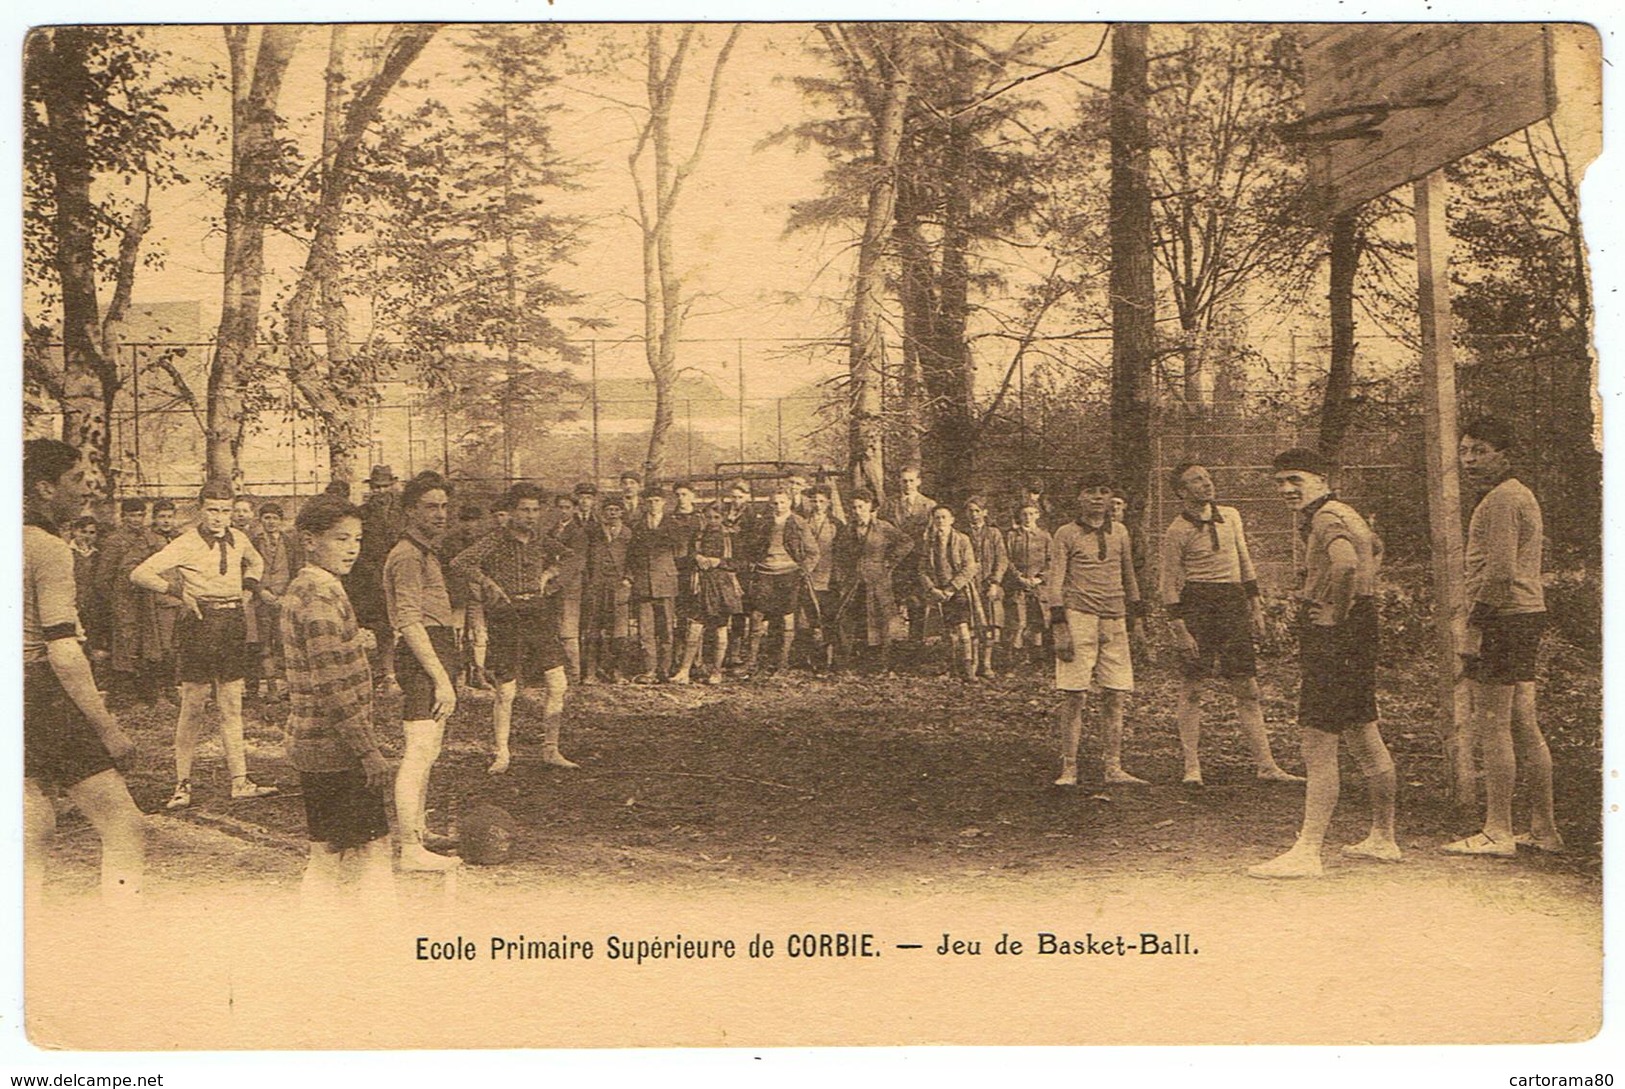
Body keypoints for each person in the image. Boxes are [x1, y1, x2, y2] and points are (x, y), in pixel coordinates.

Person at [1250, 448, 1398, 878]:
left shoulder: (1325, 517)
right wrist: (1357, 602)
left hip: (1335, 630)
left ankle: (1307, 851)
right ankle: (1383, 837)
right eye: (1279, 482)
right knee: (1362, 730)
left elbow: (1347, 564)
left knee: (1317, 737)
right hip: (1360, 626)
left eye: (1295, 479)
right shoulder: (1346, 511)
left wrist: (1336, 609)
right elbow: (1376, 547)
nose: (1285, 489)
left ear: (1322, 478)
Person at [23, 439, 146, 906]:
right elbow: (63, 651)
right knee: (125, 825)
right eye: (77, 479)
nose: (89, 487)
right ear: (45, 488)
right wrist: (109, 730)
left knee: (32, 823)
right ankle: (122, 941)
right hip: (39, 692)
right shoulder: (49, 548)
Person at [1445, 418, 1559, 856]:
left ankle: (1497, 830)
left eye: (1480, 451)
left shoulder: (1502, 499)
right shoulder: (1515, 495)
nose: (1470, 459)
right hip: (1523, 616)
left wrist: (1474, 629)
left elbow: (1499, 574)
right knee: (1522, 722)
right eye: (1466, 450)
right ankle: (1545, 830)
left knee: (1493, 726)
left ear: (1504, 455)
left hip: (1504, 619)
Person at [131, 479, 279, 809]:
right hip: (200, 624)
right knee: (193, 705)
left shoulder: (239, 538)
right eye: (212, 510)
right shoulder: (185, 542)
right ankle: (182, 783)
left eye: (225, 511)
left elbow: (256, 563)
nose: (219, 517)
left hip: (232, 623)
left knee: (231, 705)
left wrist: (248, 587)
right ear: (201, 509)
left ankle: (240, 781)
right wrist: (178, 593)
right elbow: (140, 574)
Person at [279, 493, 394, 902]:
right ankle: (380, 932)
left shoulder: (315, 588)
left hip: (320, 742)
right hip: (335, 746)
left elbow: (324, 655)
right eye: (340, 539)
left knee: (330, 849)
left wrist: (356, 642)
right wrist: (368, 751)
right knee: (368, 846)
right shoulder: (318, 596)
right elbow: (332, 685)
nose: (351, 549)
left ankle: (320, 933)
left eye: (357, 540)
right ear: (310, 540)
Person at [1160, 462, 1300, 786]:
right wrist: (1179, 629)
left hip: (1233, 604)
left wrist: (1255, 606)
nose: (1205, 484)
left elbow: (1244, 560)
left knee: (1247, 688)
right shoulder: (1176, 531)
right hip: (1198, 605)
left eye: (1207, 477)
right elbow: (1168, 584)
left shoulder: (1232, 516)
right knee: (1193, 687)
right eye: (1196, 480)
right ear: (1181, 492)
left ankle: (1266, 765)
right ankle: (1192, 767)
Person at [450, 482, 576, 774]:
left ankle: (551, 749)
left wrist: (549, 574)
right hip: (507, 616)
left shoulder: (541, 539)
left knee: (558, 684)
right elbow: (461, 562)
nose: (531, 516)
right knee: (506, 691)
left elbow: (570, 557)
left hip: (538, 614)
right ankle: (502, 753)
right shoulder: (495, 539)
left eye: (535, 510)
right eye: (524, 510)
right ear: (512, 511)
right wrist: (488, 584)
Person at [382, 472, 462, 872]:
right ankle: (409, 848)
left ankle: (418, 832)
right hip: (421, 658)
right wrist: (441, 679)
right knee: (417, 753)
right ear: (410, 510)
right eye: (431, 506)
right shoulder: (407, 555)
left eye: (445, 506)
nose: (440, 514)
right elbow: (409, 622)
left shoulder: (427, 551)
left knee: (429, 752)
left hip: (438, 649)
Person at [1047, 473, 1146, 786]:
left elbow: (1129, 576)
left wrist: (1137, 619)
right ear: (1079, 497)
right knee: (1074, 696)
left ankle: (1113, 767)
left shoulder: (1120, 532)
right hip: (1079, 617)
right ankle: (1070, 768)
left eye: (1104, 492)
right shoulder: (1066, 533)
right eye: (1090, 491)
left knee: (1115, 695)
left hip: (1114, 619)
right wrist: (1060, 626)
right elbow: (1055, 583)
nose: (1097, 498)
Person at [739, 487, 819, 679]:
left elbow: (813, 552)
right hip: (765, 573)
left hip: (788, 575)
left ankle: (782, 664)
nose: (779, 506)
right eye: (775, 502)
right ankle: (751, 662)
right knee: (757, 615)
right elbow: (752, 547)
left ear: (789, 503)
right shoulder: (764, 523)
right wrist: (754, 562)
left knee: (787, 617)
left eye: (782, 502)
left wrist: (802, 570)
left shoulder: (799, 523)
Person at [830, 489, 913, 674]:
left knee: (879, 620)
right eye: (853, 507)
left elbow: (906, 542)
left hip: (877, 580)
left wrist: (889, 561)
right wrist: (843, 574)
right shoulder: (847, 530)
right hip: (852, 582)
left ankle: (879, 664)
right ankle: (844, 663)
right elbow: (839, 553)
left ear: (869, 506)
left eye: (861, 506)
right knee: (847, 619)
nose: (857, 510)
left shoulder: (883, 527)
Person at [95, 498, 165, 704]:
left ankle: (150, 693)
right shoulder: (114, 541)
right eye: (132, 515)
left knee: (150, 644)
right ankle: (124, 694)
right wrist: (118, 601)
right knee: (126, 644)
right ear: (123, 516)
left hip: (148, 599)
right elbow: (103, 579)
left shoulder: (152, 538)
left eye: (140, 515)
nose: (136, 520)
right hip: (125, 600)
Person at [669, 502, 744, 685]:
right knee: (694, 627)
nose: (712, 521)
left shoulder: (732, 537)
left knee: (720, 628)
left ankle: (716, 671)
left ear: (724, 517)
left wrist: (719, 562)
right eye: (709, 517)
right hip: (700, 585)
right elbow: (686, 557)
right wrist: (696, 557)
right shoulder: (698, 535)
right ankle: (684, 671)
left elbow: (741, 563)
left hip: (722, 586)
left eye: (716, 517)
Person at [349, 466, 403, 693]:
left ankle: (411, 671)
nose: (381, 491)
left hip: (401, 576)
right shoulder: (361, 514)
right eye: (376, 487)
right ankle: (388, 675)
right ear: (371, 488)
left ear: (393, 485)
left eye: (385, 486)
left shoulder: (404, 511)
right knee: (382, 628)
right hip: (371, 578)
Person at [918, 505, 981, 682]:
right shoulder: (929, 542)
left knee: (963, 629)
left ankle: (968, 669)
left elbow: (970, 567)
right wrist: (932, 589)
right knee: (947, 633)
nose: (941, 521)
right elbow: (922, 569)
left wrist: (952, 588)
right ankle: (952, 667)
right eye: (937, 518)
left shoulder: (962, 539)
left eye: (944, 517)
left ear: (952, 519)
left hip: (958, 591)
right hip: (938, 593)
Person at [626, 489, 679, 682]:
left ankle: (664, 669)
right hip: (643, 582)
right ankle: (649, 670)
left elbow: (680, 552)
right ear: (644, 503)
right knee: (645, 629)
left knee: (666, 628)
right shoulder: (637, 525)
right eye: (649, 501)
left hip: (665, 581)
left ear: (664, 502)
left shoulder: (673, 524)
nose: (653, 504)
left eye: (657, 500)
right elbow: (631, 555)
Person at [584, 494, 635, 683]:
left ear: (622, 512)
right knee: (593, 629)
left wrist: (628, 579)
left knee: (620, 630)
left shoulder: (628, 533)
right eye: (609, 510)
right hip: (597, 586)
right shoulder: (593, 532)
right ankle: (591, 672)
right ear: (603, 512)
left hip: (619, 586)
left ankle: (618, 672)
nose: (612, 513)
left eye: (616, 510)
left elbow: (634, 559)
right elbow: (586, 558)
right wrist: (589, 581)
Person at [884, 466, 936, 644]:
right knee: (892, 604)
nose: (907, 484)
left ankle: (915, 646)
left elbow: (933, 536)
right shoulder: (889, 504)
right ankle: (890, 647)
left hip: (917, 562)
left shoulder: (929, 506)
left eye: (911, 480)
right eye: (904, 480)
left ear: (919, 482)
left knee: (917, 604)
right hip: (896, 562)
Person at [443, 502, 492, 690]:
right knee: (456, 634)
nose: (469, 525)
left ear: (479, 523)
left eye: (473, 521)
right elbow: (446, 568)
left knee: (479, 634)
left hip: (478, 594)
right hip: (456, 594)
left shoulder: (484, 542)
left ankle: (478, 673)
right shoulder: (450, 542)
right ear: (459, 522)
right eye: (465, 521)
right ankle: (457, 675)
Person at [800, 485, 844, 673]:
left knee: (828, 618)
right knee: (810, 619)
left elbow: (843, 553)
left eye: (821, 501)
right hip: (808, 576)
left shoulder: (836, 524)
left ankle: (829, 660)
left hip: (829, 577)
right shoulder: (803, 523)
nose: (817, 505)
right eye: (814, 501)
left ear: (828, 503)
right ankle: (812, 658)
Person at [963, 496, 1008, 679]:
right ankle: (972, 662)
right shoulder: (962, 534)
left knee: (990, 624)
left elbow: (1002, 559)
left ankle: (986, 663)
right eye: (970, 511)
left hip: (988, 584)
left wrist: (995, 582)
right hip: (969, 585)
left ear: (985, 513)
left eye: (977, 511)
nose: (974, 515)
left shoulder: (994, 533)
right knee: (973, 624)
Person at [253, 502, 293, 700]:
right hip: (262, 601)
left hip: (285, 599)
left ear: (281, 521)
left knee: (286, 643)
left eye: (274, 518)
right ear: (260, 521)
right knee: (265, 643)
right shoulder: (254, 542)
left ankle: (290, 686)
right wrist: (260, 591)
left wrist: (288, 595)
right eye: (266, 518)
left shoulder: (290, 543)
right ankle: (271, 688)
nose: (270, 522)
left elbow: (296, 569)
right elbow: (247, 570)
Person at [549, 490, 590, 682]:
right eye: (560, 508)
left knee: (569, 630)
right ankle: (560, 671)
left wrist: (557, 584)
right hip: (552, 586)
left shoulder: (579, 533)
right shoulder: (552, 531)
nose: (563, 511)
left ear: (574, 510)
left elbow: (575, 563)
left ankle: (574, 673)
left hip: (569, 586)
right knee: (555, 628)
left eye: (567, 508)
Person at [1004, 502, 1052, 667]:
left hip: (1038, 586)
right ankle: (1014, 660)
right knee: (1019, 622)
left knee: (1037, 621)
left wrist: (1039, 578)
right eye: (1024, 514)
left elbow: (1051, 560)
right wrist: (1020, 578)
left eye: (1032, 514)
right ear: (1020, 516)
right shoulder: (1011, 536)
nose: (1028, 518)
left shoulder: (1045, 536)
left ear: (1038, 515)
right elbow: (1007, 560)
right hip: (1018, 585)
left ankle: (1036, 659)